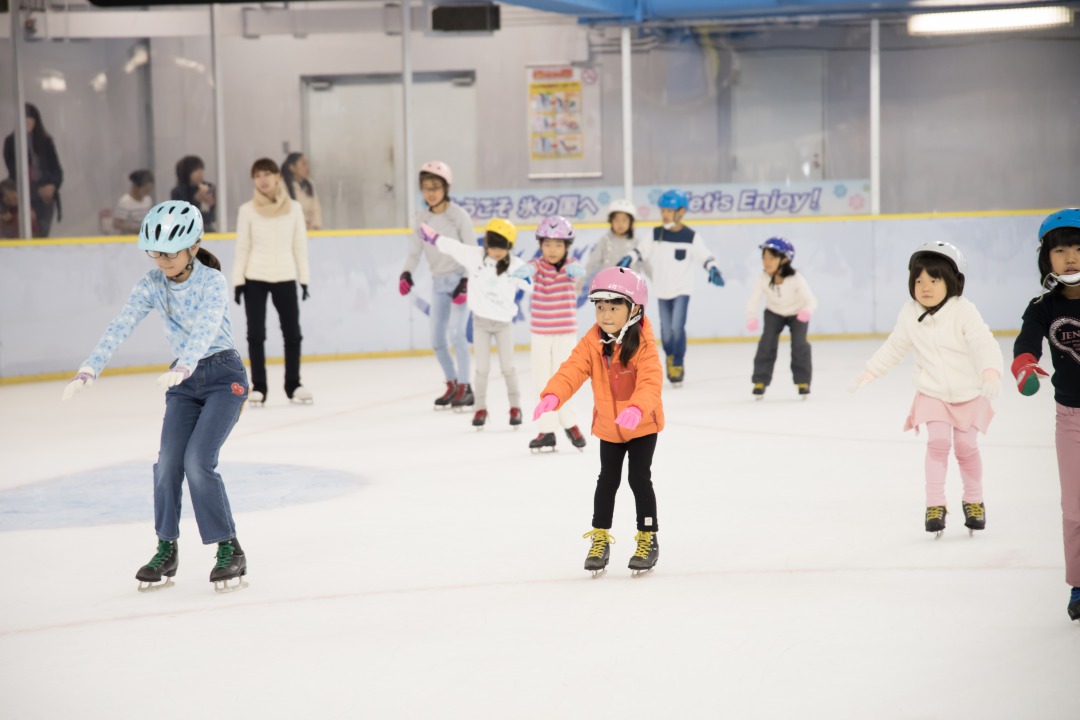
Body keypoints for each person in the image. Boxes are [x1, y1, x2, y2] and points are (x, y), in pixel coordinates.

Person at [60, 200, 249, 593]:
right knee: (166, 464)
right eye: (155, 252)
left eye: (170, 252)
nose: (161, 260)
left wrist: (187, 362)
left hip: (222, 376)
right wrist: (91, 365)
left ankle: (229, 548)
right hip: (182, 382)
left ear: (193, 247)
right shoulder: (150, 284)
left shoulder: (212, 281)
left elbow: (207, 326)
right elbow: (121, 324)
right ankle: (167, 548)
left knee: (198, 462)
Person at [851, 241, 1003, 538]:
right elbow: (894, 347)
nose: (925, 287)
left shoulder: (964, 311)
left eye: (934, 280)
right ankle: (935, 504)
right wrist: (871, 370)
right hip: (932, 393)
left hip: (968, 393)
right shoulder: (910, 313)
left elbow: (983, 342)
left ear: (952, 282)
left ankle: (974, 500)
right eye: (919, 280)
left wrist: (990, 371)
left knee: (966, 447)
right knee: (937, 444)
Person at [533, 267, 664, 577]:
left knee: (638, 478)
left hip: (642, 425)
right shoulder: (592, 343)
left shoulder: (644, 345)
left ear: (634, 309)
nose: (605, 314)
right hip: (609, 426)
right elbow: (572, 370)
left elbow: (651, 382)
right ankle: (600, 538)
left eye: (614, 306)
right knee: (607, 480)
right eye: (600, 306)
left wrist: (637, 408)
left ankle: (648, 537)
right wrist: (554, 395)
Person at [1011, 208, 1080, 622]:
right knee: (1074, 508)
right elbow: (1026, 342)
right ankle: (1079, 582)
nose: (1070, 256)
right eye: (1060, 249)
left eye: (1077, 247)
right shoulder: (1042, 306)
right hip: (1070, 419)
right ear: (1047, 258)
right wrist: (1025, 367)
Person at [419, 218, 532, 429]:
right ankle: (480, 408)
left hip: (503, 325)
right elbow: (454, 247)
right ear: (487, 244)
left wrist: (535, 279)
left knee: (508, 367)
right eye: (493, 247)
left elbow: (533, 284)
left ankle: (515, 406)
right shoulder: (475, 257)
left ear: (509, 247)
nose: (496, 252)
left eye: (502, 248)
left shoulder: (516, 265)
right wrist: (434, 238)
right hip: (480, 323)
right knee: (482, 368)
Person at [617, 189, 724, 386]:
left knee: (677, 327)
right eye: (663, 210)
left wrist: (713, 268)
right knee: (666, 331)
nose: (665, 214)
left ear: (681, 211)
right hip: (662, 290)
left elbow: (704, 255)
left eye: (669, 210)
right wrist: (629, 258)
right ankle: (669, 355)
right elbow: (642, 250)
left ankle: (677, 361)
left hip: (682, 291)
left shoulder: (690, 236)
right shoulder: (656, 233)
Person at [233, 158, 311, 405]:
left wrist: (304, 279)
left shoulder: (294, 209)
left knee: (293, 334)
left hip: (286, 275)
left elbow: (300, 246)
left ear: (277, 176)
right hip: (255, 277)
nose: (263, 180)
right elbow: (242, 247)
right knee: (255, 334)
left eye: (267, 174)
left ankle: (293, 384)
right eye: (258, 175)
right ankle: (259, 386)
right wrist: (238, 281)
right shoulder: (247, 210)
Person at [400, 161, 475, 410]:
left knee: (457, 333)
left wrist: (465, 280)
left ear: (446, 187)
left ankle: (466, 387)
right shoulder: (422, 219)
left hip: (459, 282)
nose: (430, 192)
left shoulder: (458, 216)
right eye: (425, 187)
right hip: (438, 283)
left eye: (436, 186)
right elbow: (414, 252)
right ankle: (453, 384)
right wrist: (406, 273)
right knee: (436, 338)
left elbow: (472, 251)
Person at [517, 215, 588, 452]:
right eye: (547, 244)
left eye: (558, 245)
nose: (552, 250)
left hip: (565, 333)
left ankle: (570, 423)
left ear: (567, 246)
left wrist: (577, 271)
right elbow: (528, 268)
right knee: (542, 381)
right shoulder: (537, 265)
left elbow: (577, 272)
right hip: (540, 333)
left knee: (563, 380)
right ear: (540, 246)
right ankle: (547, 430)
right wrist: (524, 270)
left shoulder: (571, 265)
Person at [746, 237, 818, 399]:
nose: (766, 262)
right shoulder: (762, 279)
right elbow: (754, 299)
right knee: (767, 343)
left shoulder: (796, 278)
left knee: (800, 345)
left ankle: (803, 381)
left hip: (797, 313)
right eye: (764, 257)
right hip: (774, 313)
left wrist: (806, 311)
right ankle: (760, 381)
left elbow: (811, 300)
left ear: (785, 259)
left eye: (772, 258)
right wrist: (751, 317)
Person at [3, 103, 63, 238]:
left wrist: (52, 186)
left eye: (30, 118)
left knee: (41, 235)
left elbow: (57, 170)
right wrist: (35, 193)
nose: (27, 121)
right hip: (24, 197)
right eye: (24, 118)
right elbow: (15, 174)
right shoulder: (10, 143)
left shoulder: (46, 142)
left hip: (46, 200)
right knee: (27, 234)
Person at [585, 199, 646, 277]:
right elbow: (592, 263)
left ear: (630, 222)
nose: (620, 224)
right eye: (616, 220)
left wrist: (659, 282)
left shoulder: (637, 241)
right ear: (611, 221)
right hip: (608, 284)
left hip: (631, 285)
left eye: (624, 220)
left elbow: (646, 265)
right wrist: (578, 283)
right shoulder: (605, 240)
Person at [170, 155, 216, 232]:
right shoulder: (178, 192)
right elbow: (182, 217)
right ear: (186, 173)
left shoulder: (207, 187)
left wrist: (211, 205)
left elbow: (211, 218)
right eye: (196, 170)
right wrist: (195, 200)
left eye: (201, 169)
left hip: (207, 230)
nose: (200, 173)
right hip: (186, 232)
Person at [281, 152, 322, 231]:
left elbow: (316, 208)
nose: (307, 167)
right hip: (290, 230)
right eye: (303, 164)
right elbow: (284, 210)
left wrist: (315, 227)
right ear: (292, 167)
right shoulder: (282, 185)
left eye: (307, 164)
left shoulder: (310, 184)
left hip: (310, 230)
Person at [113, 170, 155, 234]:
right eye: (145, 190)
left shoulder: (148, 199)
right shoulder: (125, 201)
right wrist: (136, 227)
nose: (147, 193)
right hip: (130, 240)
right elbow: (117, 224)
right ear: (135, 186)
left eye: (149, 190)